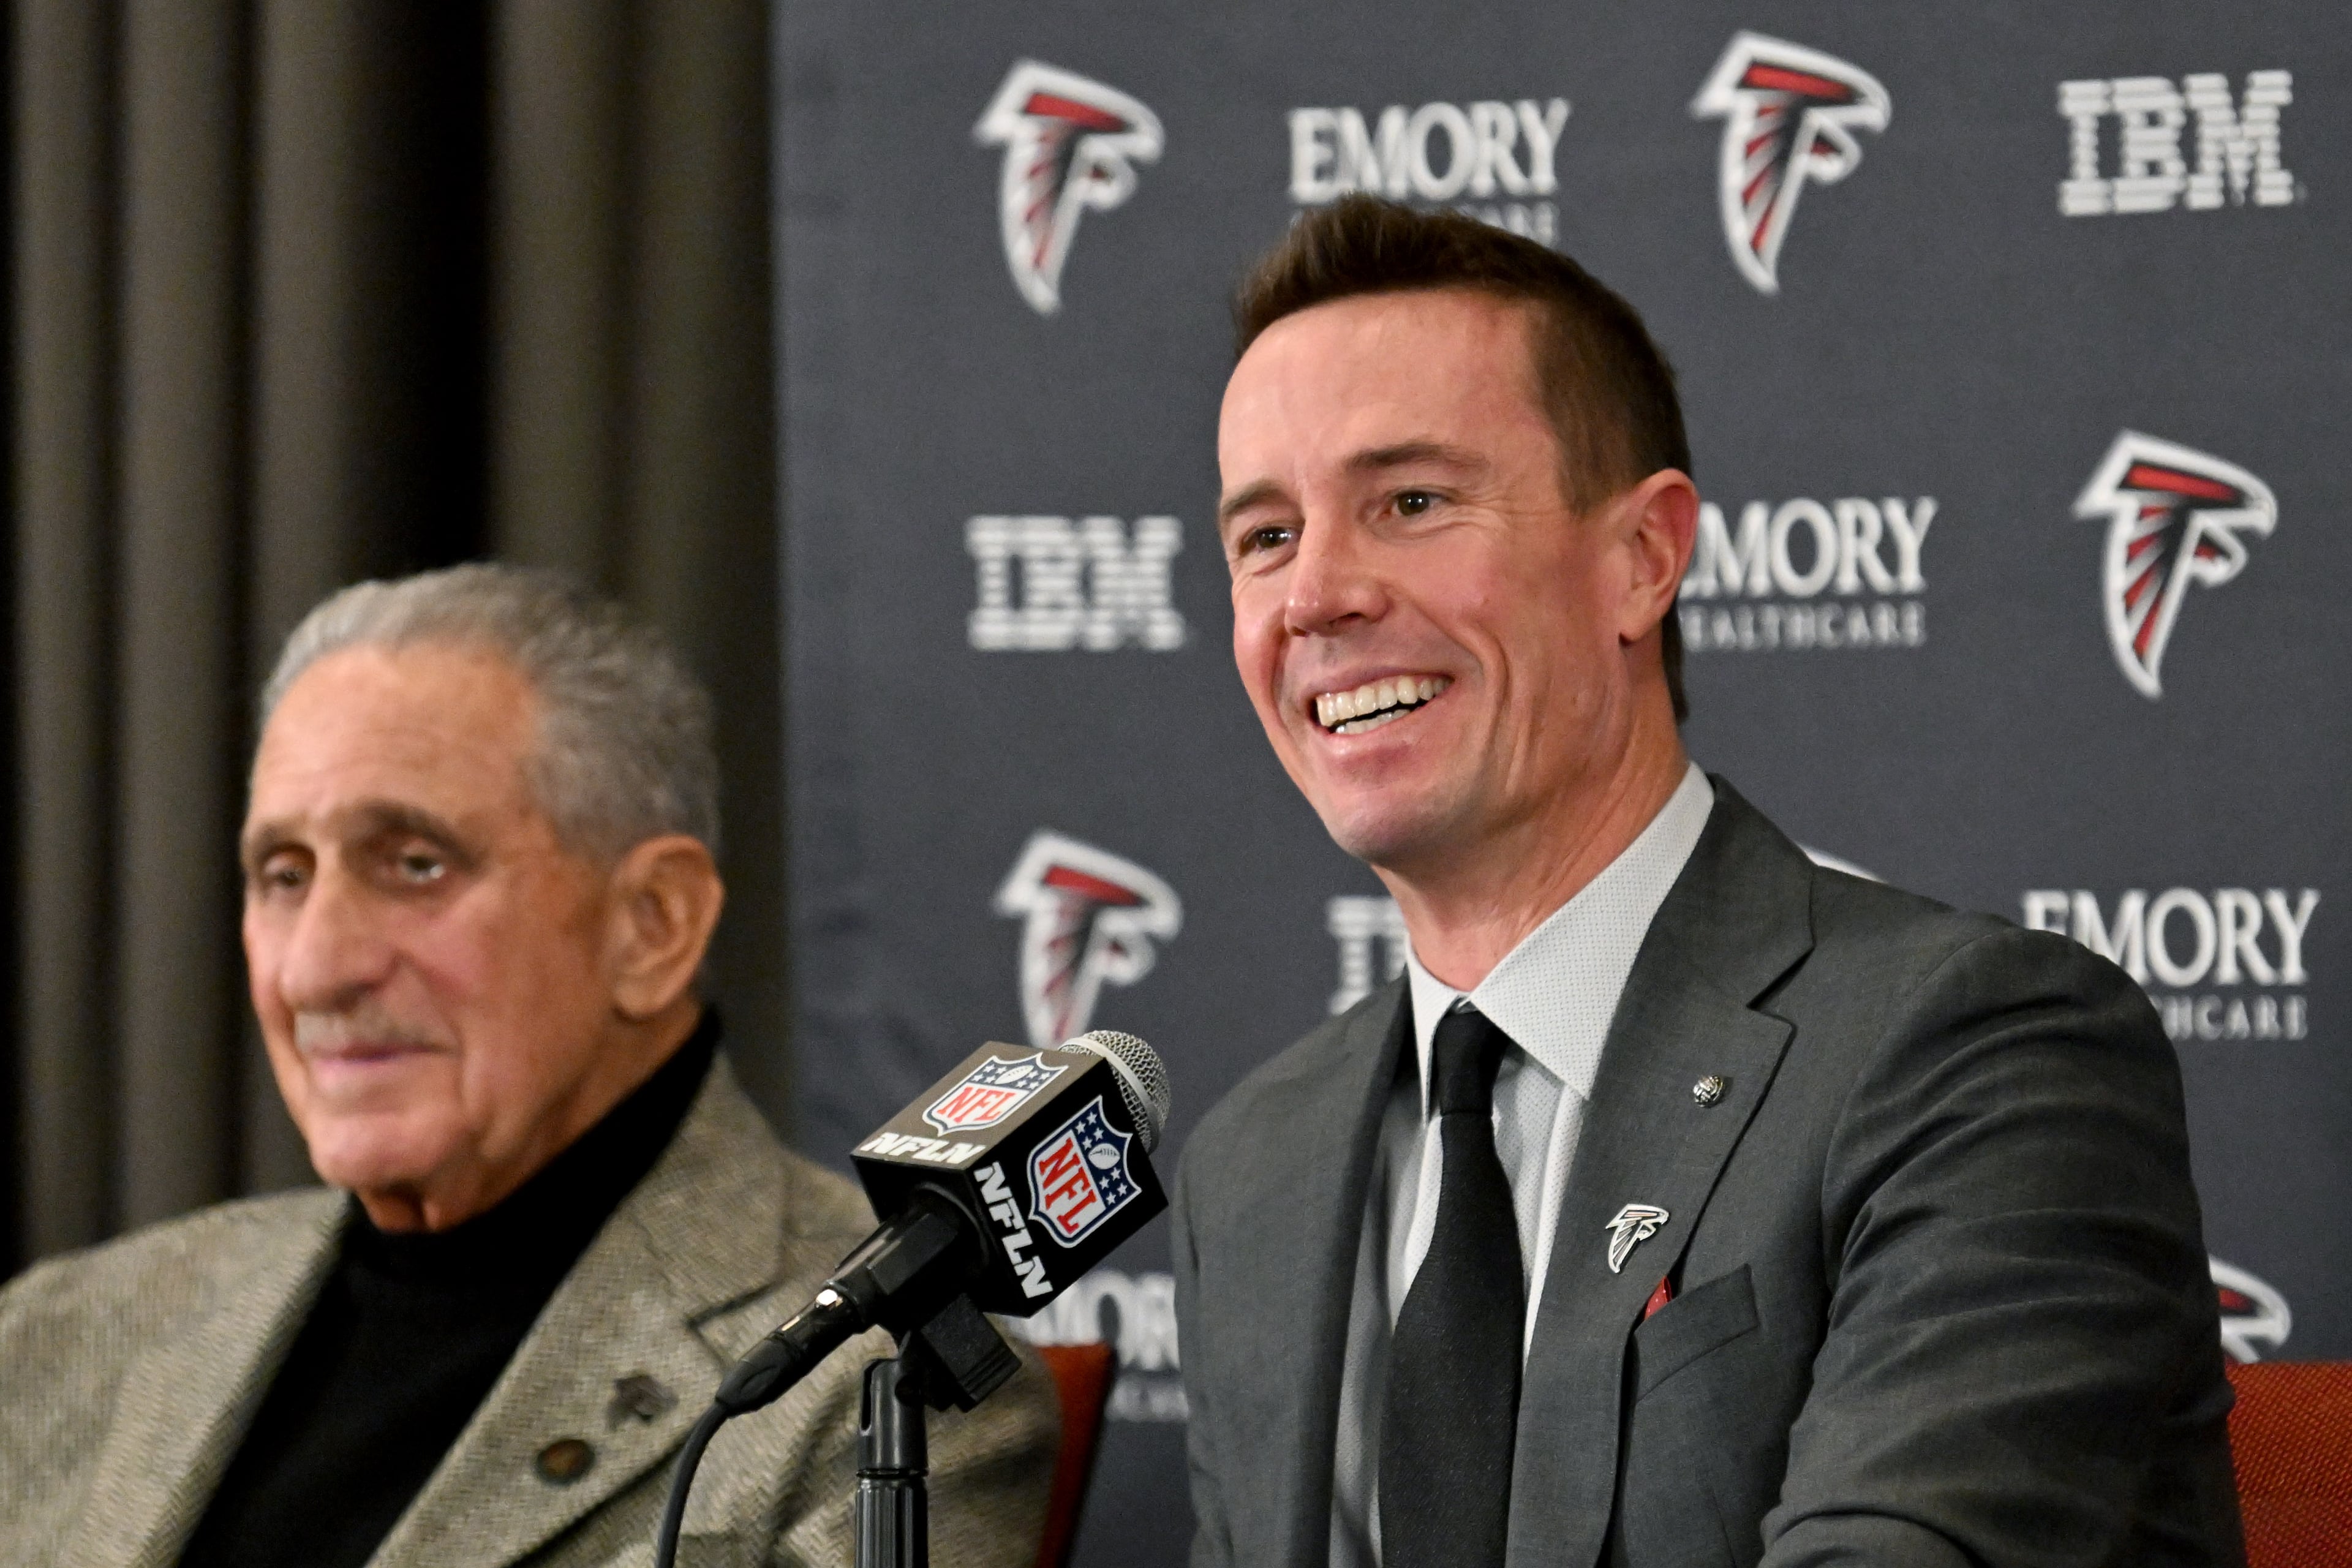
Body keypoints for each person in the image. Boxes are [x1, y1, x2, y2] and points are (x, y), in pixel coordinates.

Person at [1173, 197, 2242, 1568]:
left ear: (1644, 556)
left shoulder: (1980, 1051)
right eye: (1264, 536)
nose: (1314, 594)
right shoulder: (1251, 1166)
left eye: (1413, 502)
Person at [0, 565, 1058, 1567]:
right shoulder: (60, 1333)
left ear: (653, 924)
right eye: (282, 875)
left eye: (415, 865)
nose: (316, 968)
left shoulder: (882, 1384)